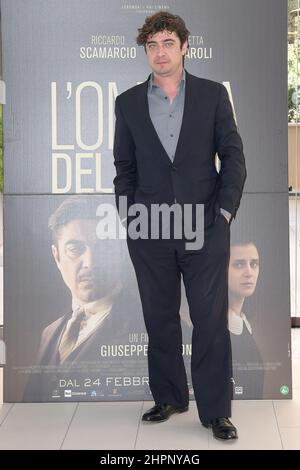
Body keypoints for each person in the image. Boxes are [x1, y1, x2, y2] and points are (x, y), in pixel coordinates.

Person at [113, 12, 246, 440]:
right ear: (146, 50)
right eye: (152, 45)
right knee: (160, 317)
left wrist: (223, 214)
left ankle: (215, 411)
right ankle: (169, 397)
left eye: (168, 42)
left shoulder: (211, 95)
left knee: (209, 320)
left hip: (204, 228)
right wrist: (128, 216)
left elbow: (233, 156)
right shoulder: (128, 102)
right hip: (148, 230)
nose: (160, 52)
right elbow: (124, 167)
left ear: (185, 46)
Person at [24, 196, 143, 400]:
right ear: (57, 257)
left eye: (103, 247)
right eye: (75, 249)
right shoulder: (49, 333)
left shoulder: (152, 325)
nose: (90, 262)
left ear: (121, 253)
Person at [228, 240, 264, 398]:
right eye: (238, 264)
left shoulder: (245, 325)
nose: (249, 272)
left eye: (254, 264)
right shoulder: (218, 327)